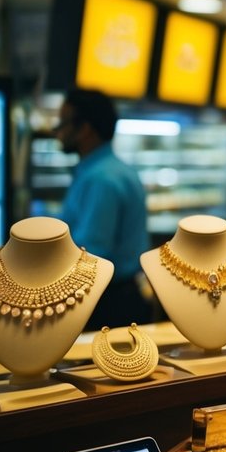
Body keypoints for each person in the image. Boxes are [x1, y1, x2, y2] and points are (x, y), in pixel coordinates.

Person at [55, 89, 151, 328]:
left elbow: (91, 253)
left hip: (106, 303)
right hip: (122, 295)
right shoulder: (116, 170)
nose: (57, 131)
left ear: (85, 129)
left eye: (63, 122)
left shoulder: (100, 179)